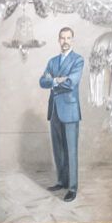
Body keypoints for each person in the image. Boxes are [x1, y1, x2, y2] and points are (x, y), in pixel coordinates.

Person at [40, 27, 84, 201]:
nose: (65, 41)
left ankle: (72, 188)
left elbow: (72, 83)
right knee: (58, 149)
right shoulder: (52, 61)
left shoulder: (78, 60)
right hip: (55, 109)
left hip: (70, 110)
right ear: (58, 40)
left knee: (71, 150)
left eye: (68, 38)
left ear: (72, 40)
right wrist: (58, 80)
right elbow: (42, 81)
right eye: (62, 38)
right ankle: (61, 181)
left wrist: (54, 80)